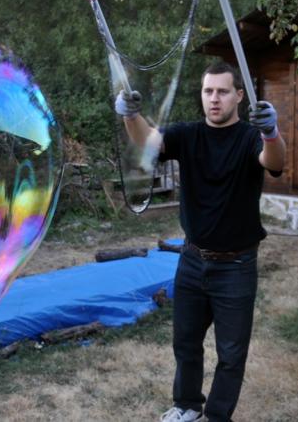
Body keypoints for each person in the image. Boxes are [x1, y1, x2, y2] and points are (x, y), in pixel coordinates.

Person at [114, 61, 286, 422]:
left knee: (231, 353)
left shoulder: (249, 136)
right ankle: (187, 405)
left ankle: (217, 416)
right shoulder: (188, 134)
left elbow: (275, 162)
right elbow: (148, 141)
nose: (214, 98)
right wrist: (131, 116)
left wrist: (272, 133)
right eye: (208, 91)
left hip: (236, 266)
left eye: (223, 91)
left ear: (239, 96)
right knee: (186, 343)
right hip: (192, 261)